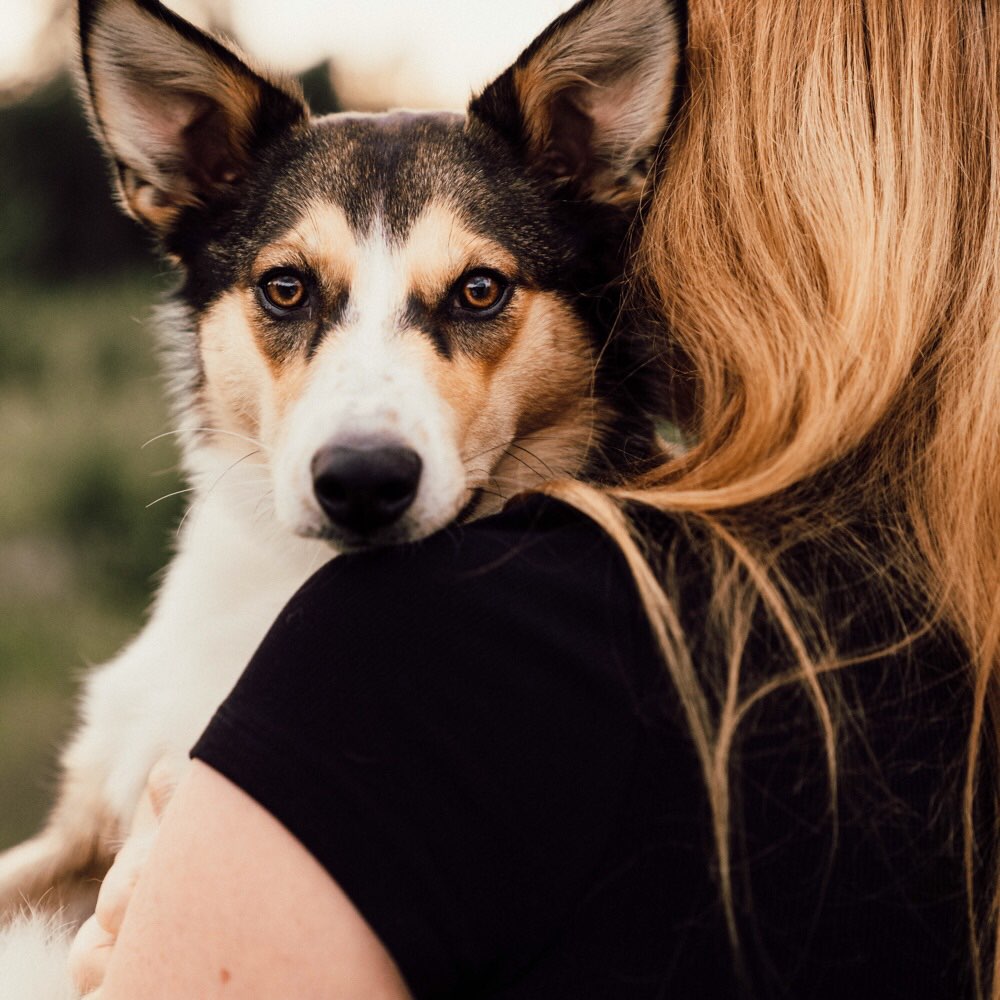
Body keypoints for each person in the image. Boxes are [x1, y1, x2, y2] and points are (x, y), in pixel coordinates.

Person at [74, 1, 999, 997]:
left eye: (475, 293)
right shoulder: (946, 632)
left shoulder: (426, 646)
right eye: (289, 291)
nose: (365, 425)